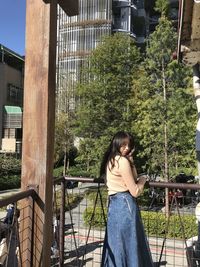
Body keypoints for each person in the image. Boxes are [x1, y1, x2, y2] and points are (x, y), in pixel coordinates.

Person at [100, 131, 153, 267]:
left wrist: (132, 162)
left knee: (116, 244)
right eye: (123, 145)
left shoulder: (111, 159)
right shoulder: (122, 161)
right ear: (116, 143)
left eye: (129, 145)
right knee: (130, 243)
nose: (127, 148)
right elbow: (135, 191)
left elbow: (130, 178)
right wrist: (143, 179)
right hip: (125, 204)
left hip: (114, 205)